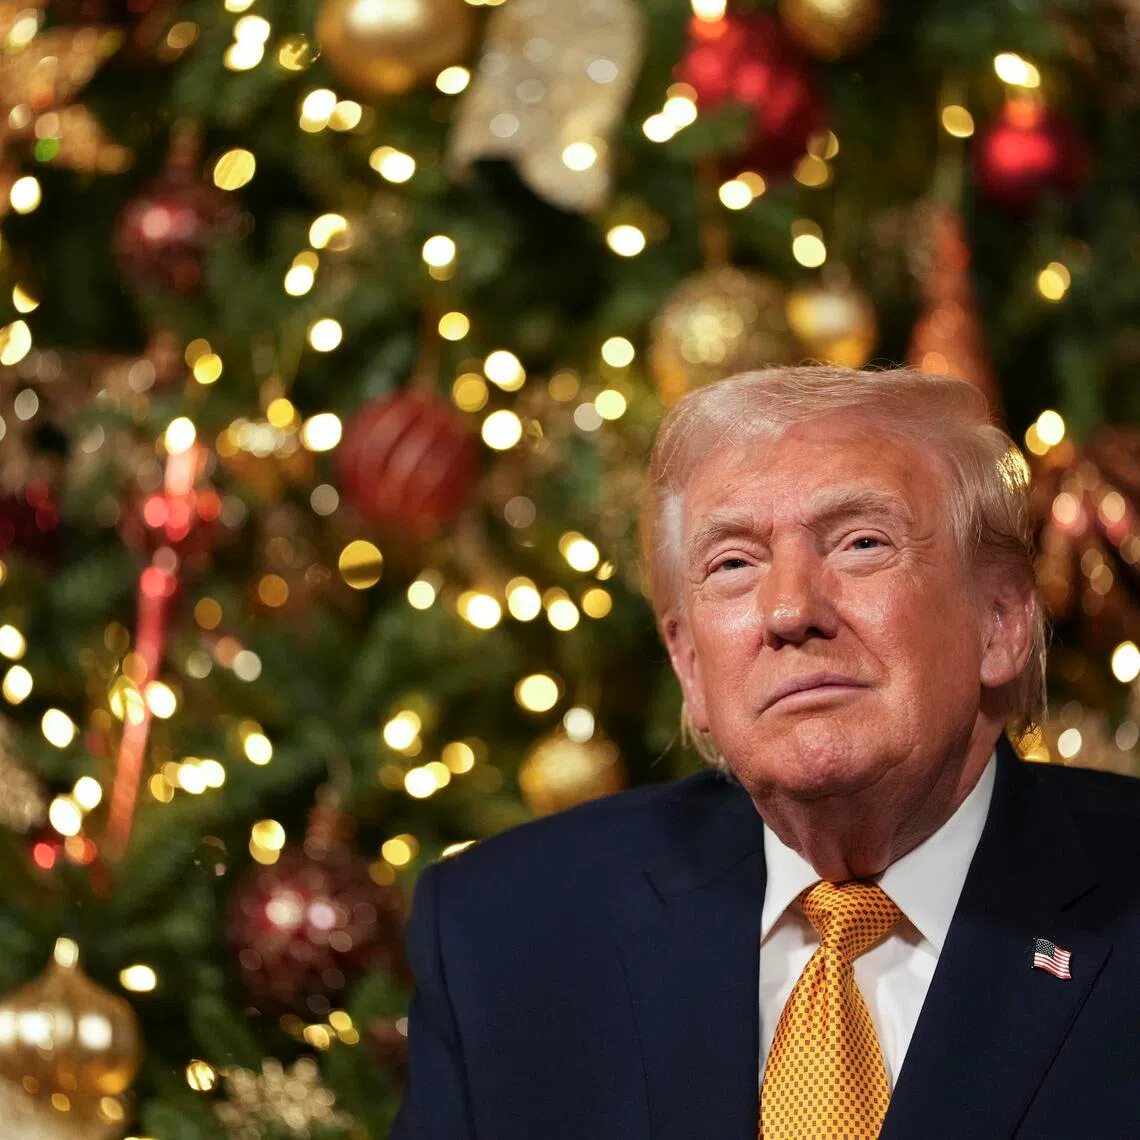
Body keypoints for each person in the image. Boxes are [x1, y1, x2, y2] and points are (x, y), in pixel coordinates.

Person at [391, 367, 1140, 1139]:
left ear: (1001, 621)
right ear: (689, 667)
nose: (789, 610)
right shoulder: (504, 936)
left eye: (861, 543)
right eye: (734, 563)